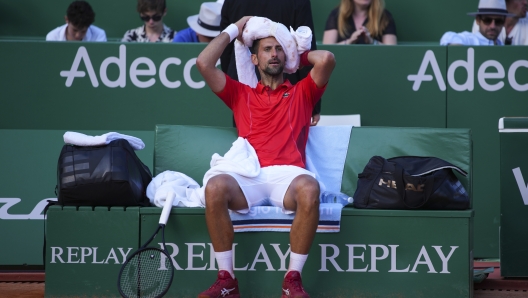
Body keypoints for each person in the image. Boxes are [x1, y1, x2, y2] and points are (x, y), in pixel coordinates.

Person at [195, 16, 335, 298]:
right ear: (255, 60)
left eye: (279, 49)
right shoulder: (240, 94)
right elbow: (203, 63)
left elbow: (327, 59)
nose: (274, 54)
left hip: (288, 176)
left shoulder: (303, 92)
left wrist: (298, 54)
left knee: (310, 188)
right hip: (251, 175)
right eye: (268, 49)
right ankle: (227, 280)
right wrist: (236, 27)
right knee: (214, 187)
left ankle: (292, 281)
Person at [220, 0, 322, 126]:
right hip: (286, 88)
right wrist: (313, 105)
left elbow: (226, 48)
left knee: (247, 141)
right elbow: (305, 45)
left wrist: (231, 84)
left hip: (244, 89)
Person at [322, 0, 397, 45]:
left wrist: (372, 42)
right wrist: (349, 41)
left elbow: (392, 50)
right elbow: (327, 49)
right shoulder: (336, 15)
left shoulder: (384, 16)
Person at [440, 0, 515, 45]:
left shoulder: (502, 47)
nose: (493, 26)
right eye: (487, 20)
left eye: (498, 21)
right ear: (478, 20)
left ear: (504, 22)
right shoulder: (470, 40)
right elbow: (447, 37)